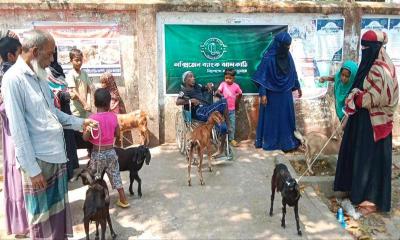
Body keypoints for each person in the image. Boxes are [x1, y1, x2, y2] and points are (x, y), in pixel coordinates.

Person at [1, 29, 98, 239]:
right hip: (38, 163)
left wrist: (80, 123)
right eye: (49, 54)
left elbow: (53, 114)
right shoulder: (13, 80)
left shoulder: (40, 77)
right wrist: (33, 170)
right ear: (35, 51)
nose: (52, 59)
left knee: (57, 216)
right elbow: (18, 129)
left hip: (56, 157)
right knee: (41, 220)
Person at [334, 30, 398, 216]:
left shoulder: (382, 68)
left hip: (374, 124)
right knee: (358, 157)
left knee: (370, 162)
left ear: (375, 48)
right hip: (361, 122)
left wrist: (358, 98)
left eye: (366, 48)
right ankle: (355, 192)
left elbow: (382, 97)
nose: (363, 50)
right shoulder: (369, 63)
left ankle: (370, 199)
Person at [252, 31, 302, 152]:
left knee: (286, 119)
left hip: (285, 94)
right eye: (285, 46)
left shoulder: (288, 56)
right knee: (272, 120)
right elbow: (263, 76)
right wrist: (263, 94)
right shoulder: (268, 57)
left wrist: (298, 86)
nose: (287, 48)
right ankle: (271, 143)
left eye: (288, 46)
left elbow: (293, 71)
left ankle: (287, 144)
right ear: (278, 44)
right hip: (271, 95)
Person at [0, 36, 29, 238]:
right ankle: (23, 222)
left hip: (9, 131)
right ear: (11, 55)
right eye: (19, 53)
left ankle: (19, 222)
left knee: (14, 171)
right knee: (18, 172)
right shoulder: (11, 75)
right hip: (14, 130)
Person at [83, 88, 130, 208]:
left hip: (97, 153)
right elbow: (118, 134)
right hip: (111, 152)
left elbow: (85, 138)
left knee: (95, 177)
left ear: (95, 103)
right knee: (115, 175)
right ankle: (123, 200)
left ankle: (95, 201)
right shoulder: (114, 117)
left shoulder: (92, 119)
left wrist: (88, 130)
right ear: (108, 103)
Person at [176, 71, 229, 156]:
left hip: (206, 108)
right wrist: (190, 100)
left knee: (222, 125)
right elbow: (178, 102)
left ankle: (221, 147)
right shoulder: (184, 90)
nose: (193, 78)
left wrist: (209, 86)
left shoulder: (197, 86)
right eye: (190, 77)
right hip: (198, 112)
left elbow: (205, 88)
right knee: (223, 103)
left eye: (193, 76)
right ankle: (227, 128)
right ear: (185, 80)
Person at [47, 47, 79, 181]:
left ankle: (71, 168)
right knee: (62, 140)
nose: (52, 58)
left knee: (69, 139)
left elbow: (62, 86)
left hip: (65, 108)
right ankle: (66, 172)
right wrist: (63, 94)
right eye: (50, 53)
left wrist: (65, 94)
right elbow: (51, 91)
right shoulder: (45, 71)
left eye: (54, 53)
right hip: (56, 109)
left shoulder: (57, 68)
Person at [66, 48, 93, 155]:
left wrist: (89, 102)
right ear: (71, 60)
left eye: (80, 60)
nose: (79, 62)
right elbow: (74, 92)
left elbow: (89, 89)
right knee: (76, 133)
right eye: (76, 60)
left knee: (88, 131)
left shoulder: (84, 74)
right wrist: (84, 103)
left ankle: (90, 153)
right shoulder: (70, 74)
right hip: (76, 110)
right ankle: (75, 157)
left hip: (86, 111)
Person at [216, 68, 242, 147]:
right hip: (223, 110)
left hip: (231, 109)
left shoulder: (236, 86)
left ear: (234, 78)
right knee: (221, 124)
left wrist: (237, 103)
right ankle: (221, 139)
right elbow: (218, 92)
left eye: (230, 78)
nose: (228, 80)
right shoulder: (223, 84)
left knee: (232, 125)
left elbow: (240, 93)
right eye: (226, 78)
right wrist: (221, 96)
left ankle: (231, 139)